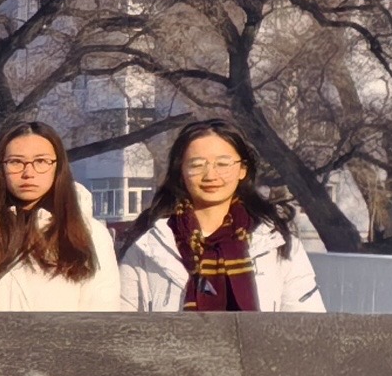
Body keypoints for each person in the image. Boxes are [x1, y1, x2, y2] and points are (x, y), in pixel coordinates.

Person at [121, 119, 326, 312]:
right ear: (181, 172)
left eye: (223, 164)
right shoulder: (148, 246)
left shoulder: (275, 242)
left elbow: (305, 326)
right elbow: (122, 327)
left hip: (257, 341)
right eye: (197, 165)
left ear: (242, 169)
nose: (210, 175)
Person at [0, 119, 119, 311]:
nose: (28, 172)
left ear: (58, 166)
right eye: (15, 162)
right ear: (0, 168)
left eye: (41, 161)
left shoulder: (91, 235)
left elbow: (101, 314)